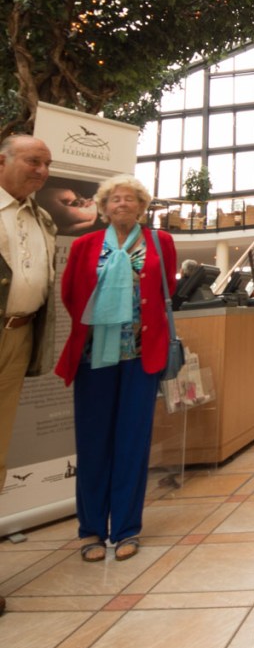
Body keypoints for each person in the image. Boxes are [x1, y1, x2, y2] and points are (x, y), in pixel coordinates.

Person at [55, 175, 176, 562]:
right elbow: (71, 294)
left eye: (130, 199)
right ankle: (91, 529)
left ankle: (126, 529)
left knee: (132, 444)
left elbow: (166, 293)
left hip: (142, 355)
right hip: (94, 357)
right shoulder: (84, 245)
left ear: (142, 207)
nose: (122, 204)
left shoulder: (161, 242)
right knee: (92, 444)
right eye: (115, 199)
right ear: (104, 207)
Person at [0, 135, 56, 617]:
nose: (41, 171)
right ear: (3, 160)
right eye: (32, 161)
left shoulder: (42, 219)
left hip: (17, 341)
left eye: (46, 164)